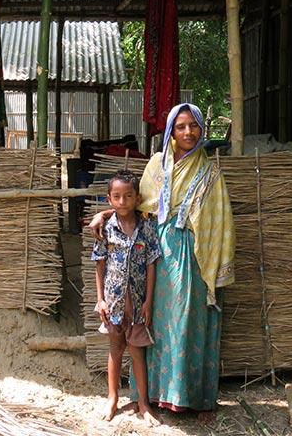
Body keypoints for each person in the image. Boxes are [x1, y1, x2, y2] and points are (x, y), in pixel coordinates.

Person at [89, 103, 235, 417]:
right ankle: (150, 396)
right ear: (171, 130)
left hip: (194, 255)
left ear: (201, 129)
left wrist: (207, 255)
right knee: (153, 322)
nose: (188, 132)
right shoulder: (157, 164)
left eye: (193, 126)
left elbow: (220, 221)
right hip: (154, 255)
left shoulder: (209, 171)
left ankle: (188, 397)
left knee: (185, 322)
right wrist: (104, 213)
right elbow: (134, 203)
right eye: (180, 126)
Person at [91, 169, 161, 425]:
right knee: (115, 350)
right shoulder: (105, 230)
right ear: (109, 199)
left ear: (137, 197)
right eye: (117, 197)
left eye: (128, 196)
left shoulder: (147, 229)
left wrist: (148, 301)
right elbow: (99, 263)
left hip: (138, 303)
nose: (122, 202)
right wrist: (100, 299)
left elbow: (152, 264)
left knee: (137, 353)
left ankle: (143, 403)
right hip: (113, 302)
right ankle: (112, 398)